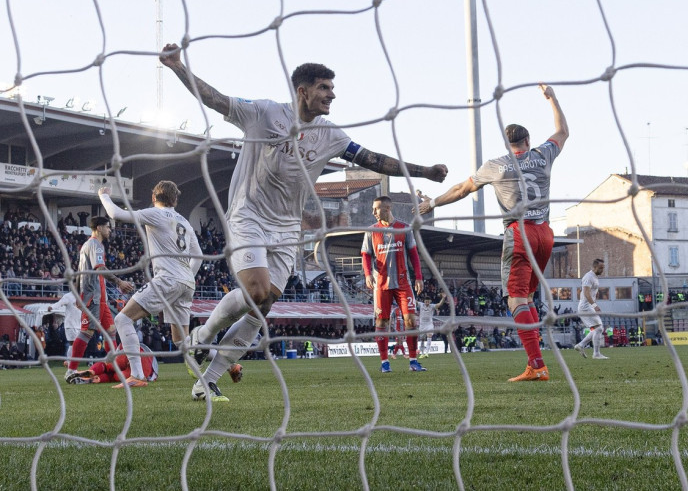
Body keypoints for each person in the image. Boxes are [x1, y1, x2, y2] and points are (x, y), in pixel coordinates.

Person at [159, 43, 447, 402]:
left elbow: (373, 158)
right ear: (303, 90)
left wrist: (422, 171)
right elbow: (216, 99)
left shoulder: (330, 134)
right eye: (325, 88)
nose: (332, 95)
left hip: (286, 229)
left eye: (331, 88)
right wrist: (177, 67)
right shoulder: (264, 113)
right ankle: (201, 338)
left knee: (262, 307)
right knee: (257, 292)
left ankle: (208, 380)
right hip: (248, 215)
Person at [419, 84, 568, 382]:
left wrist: (431, 203)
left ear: (507, 144)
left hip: (519, 232)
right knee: (525, 296)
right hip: (545, 233)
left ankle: (537, 365)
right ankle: (536, 362)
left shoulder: (496, 166)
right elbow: (563, 131)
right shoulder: (544, 154)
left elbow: (462, 189)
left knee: (515, 300)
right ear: (527, 140)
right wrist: (552, 98)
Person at [97, 181, 205, 388]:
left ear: (154, 197)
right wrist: (186, 276)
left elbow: (116, 214)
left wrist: (104, 195)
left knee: (123, 319)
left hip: (167, 279)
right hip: (186, 283)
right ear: (175, 199)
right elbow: (198, 256)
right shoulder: (185, 222)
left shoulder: (155, 213)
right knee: (181, 341)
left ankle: (137, 375)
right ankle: (228, 364)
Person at [65, 216, 135, 382]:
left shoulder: (89, 246)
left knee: (111, 330)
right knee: (87, 332)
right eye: (107, 227)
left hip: (100, 298)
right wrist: (119, 282)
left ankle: (111, 365)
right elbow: (100, 268)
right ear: (98, 228)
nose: (110, 230)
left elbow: (79, 272)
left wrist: (76, 293)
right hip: (93, 296)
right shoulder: (95, 245)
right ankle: (71, 370)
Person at [362, 195, 425, 372]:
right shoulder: (371, 230)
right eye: (373, 209)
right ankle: (384, 363)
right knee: (382, 322)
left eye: (376, 209)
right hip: (381, 284)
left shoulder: (404, 228)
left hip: (403, 282)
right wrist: (367, 274)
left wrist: (418, 277)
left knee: (410, 320)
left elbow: (413, 254)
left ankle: (413, 361)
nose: (373, 212)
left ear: (387, 209)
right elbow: (366, 255)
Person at [573, 258, 608, 359]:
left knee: (596, 329)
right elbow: (586, 293)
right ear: (594, 267)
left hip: (587, 306)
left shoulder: (595, 277)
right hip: (585, 307)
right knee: (599, 328)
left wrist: (596, 296)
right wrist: (594, 305)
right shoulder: (588, 277)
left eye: (603, 268)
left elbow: (593, 291)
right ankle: (596, 354)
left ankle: (580, 345)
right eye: (600, 268)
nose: (602, 270)